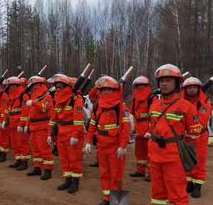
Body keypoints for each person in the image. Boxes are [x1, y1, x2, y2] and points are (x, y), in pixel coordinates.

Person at [148, 64, 202, 205]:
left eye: (169, 80)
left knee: (177, 194)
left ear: (177, 83)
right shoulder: (154, 105)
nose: (164, 83)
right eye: (162, 80)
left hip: (174, 157)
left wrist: (183, 148)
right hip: (154, 155)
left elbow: (194, 133)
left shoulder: (186, 107)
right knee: (157, 193)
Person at [85, 76, 131, 205]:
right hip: (101, 145)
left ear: (115, 90)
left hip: (115, 147)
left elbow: (126, 128)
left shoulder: (121, 107)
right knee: (104, 173)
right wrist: (88, 141)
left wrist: (123, 146)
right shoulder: (97, 106)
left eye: (109, 89)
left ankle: (117, 202)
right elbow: (92, 125)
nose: (106, 92)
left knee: (116, 175)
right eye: (103, 89)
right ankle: (107, 199)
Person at [48, 74, 85, 194]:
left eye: (59, 87)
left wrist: (75, 136)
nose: (57, 89)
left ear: (66, 86)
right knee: (64, 159)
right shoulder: (57, 99)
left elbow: (79, 120)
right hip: (61, 133)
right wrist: (50, 134)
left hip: (72, 133)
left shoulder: (76, 99)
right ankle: (67, 179)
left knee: (74, 159)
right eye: (56, 87)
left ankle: (75, 182)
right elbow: (54, 117)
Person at [182, 77, 212, 198]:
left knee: (199, 162)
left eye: (194, 87)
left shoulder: (205, 103)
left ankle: (197, 186)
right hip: (185, 137)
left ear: (199, 89)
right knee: (186, 161)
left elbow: (201, 122)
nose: (192, 90)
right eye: (189, 87)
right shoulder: (181, 101)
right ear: (185, 89)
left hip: (200, 137)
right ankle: (189, 182)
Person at [23, 75, 54, 180]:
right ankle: (37, 167)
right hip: (34, 127)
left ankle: (48, 169)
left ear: (41, 85)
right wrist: (27, 125)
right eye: (33, 85)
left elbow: (44, 108)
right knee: (35, 149)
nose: (33, 87)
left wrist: (34, 102)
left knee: (44, 149)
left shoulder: (47, 97)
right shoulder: (34, 97)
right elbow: (30, 114)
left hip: (43, 127)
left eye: (36, 85)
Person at [129, 75, 152, 179]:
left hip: (148, 129)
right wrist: (132, 126)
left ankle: (151, 173)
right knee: (139, 152)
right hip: (138, 129)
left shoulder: (151, 98)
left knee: (150, 152)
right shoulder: (135, 99)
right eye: (138, 86)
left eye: (142, 86)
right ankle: (140, 170)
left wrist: (151, 130)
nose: (140, 88)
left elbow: (155, 115)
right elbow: (132, 113)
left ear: (147, 86)